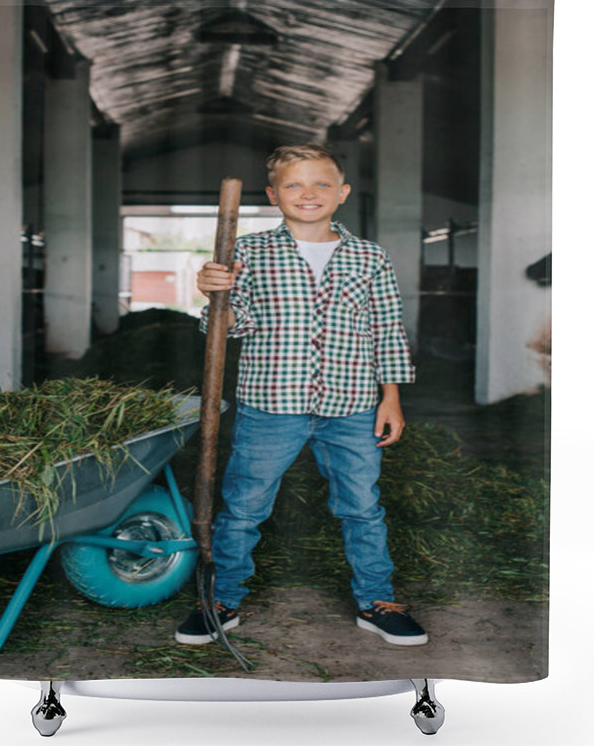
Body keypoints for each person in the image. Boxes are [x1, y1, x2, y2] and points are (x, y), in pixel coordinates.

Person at [175, 144, 427, 647]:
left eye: (321, 184)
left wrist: (390, 397)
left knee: (362, 506)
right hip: (270, 405)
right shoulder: (246, 252)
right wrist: (214, 293)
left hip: (352, 405)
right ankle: (221, 599)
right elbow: (235, 326)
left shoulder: (370, 257)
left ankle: (377, 600)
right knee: (244, 506)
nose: (307, 194)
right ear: (273, 195)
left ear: (342, 193)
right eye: (293, 184)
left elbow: (387, 330)